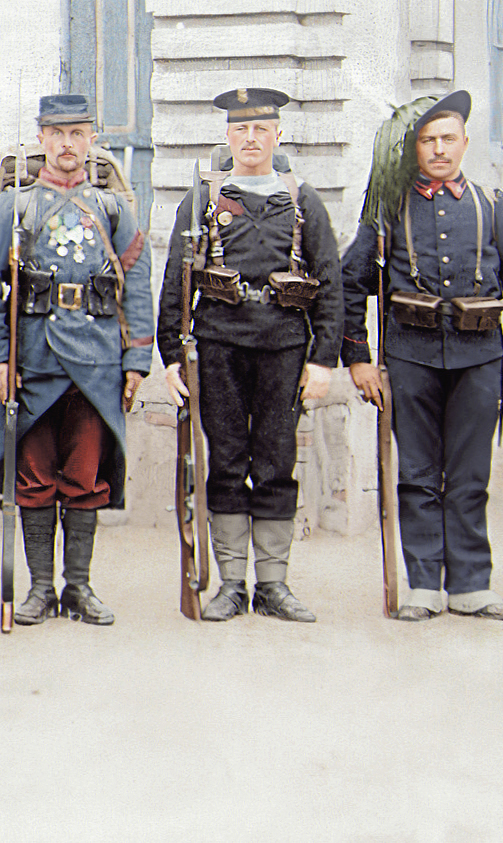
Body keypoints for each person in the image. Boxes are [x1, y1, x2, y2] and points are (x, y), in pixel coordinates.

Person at [342, 90, 503, 622]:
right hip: (408, 359)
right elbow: (349, 283)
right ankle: (423, 587)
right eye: (428, 140)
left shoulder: (492, 207)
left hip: (480, 359)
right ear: (414, 147)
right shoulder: (386, 212)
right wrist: (360, 359)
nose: (438, 149)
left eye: (448, 139)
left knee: (469, 475)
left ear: (465, 143)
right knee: (415, 474)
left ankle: (472, 585)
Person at [0, 93, 154, 626]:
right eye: (57, 135)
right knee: (32, 476)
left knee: (85, 477)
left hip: (96, 363)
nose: (68, 145)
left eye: (78, 134)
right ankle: (40, 590)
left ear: (93, 139)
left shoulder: (112, 209)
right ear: (41, 140)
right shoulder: (16, 206)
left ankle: (79, 588)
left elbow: (136, 280)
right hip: (34, 359)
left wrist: (137, 360)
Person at [158, 88, 340, 623]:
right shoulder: (204, 199)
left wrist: (323, 359)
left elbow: (329, 283)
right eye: (241, 129)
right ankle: (232, 584)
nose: (252, 138)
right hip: (219, 348)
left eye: (262, 128)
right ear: (229, 136)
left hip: (284, 348)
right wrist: (172, 356)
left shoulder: (303, 199)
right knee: (229, 460)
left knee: (277, 462)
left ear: (279, 135)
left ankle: (275, 584)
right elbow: (177, 282)